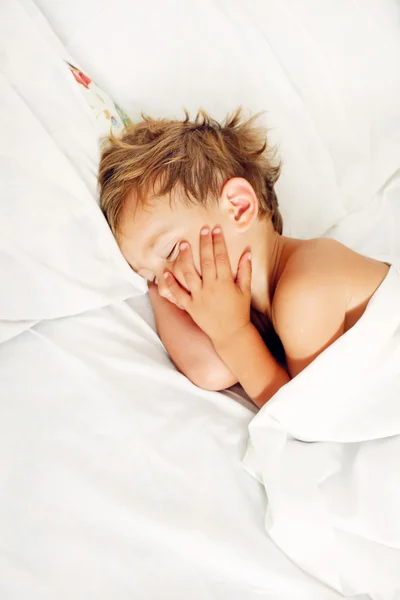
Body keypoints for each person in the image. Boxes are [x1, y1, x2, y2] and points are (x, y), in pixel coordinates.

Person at [98, 109, 389, 408]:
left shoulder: (305, 290)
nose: (169, 286)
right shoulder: (245, 312)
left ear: (238, 207)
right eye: (152, 276)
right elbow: (211, 370)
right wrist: (157, 287)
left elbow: (303, 414)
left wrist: (232, 335)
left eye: (171, 251)